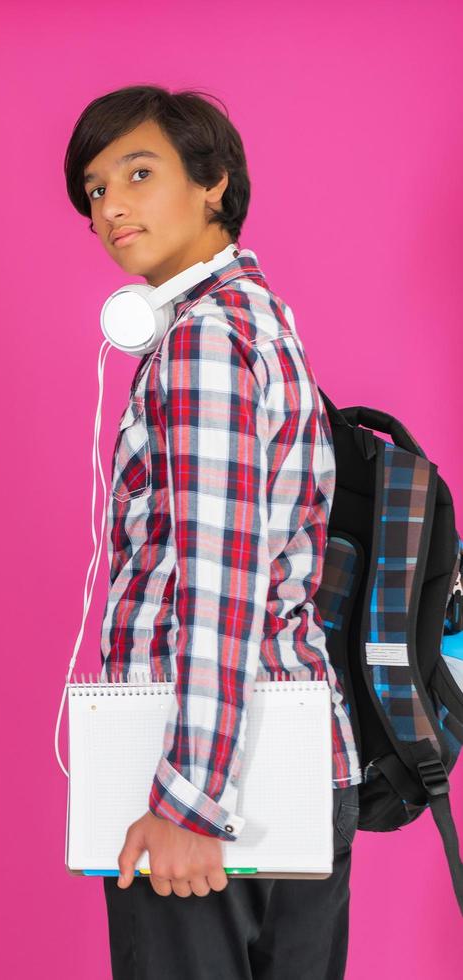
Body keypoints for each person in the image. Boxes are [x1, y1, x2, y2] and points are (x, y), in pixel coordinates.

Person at [64, 86, 361, 979]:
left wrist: (190, 803)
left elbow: (220, 582)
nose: (110, 205)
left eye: (139, 173)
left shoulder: (201, 341)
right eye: (93, 188)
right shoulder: (263, 318)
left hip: (213, 785)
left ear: (213, 184)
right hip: (297, 767)